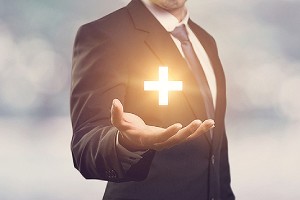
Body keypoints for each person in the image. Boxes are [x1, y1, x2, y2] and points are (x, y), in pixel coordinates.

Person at [70, 0, 235, 199]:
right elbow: (86, 145)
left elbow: (215, 155)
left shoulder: (205, 41)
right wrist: (125, 142)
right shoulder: (105, 34)